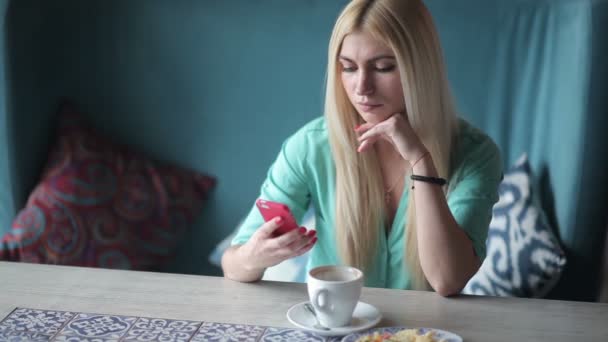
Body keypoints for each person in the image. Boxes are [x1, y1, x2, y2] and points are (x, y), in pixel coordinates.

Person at [221, 0, 502, 297]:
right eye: (348, 68)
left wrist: (421, 161)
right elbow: (233, 263)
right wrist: (255, 256)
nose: (361, 87)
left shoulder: (475, 154)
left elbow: (447, 279)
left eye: (383, 67)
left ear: (421, 68)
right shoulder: (310, 146)